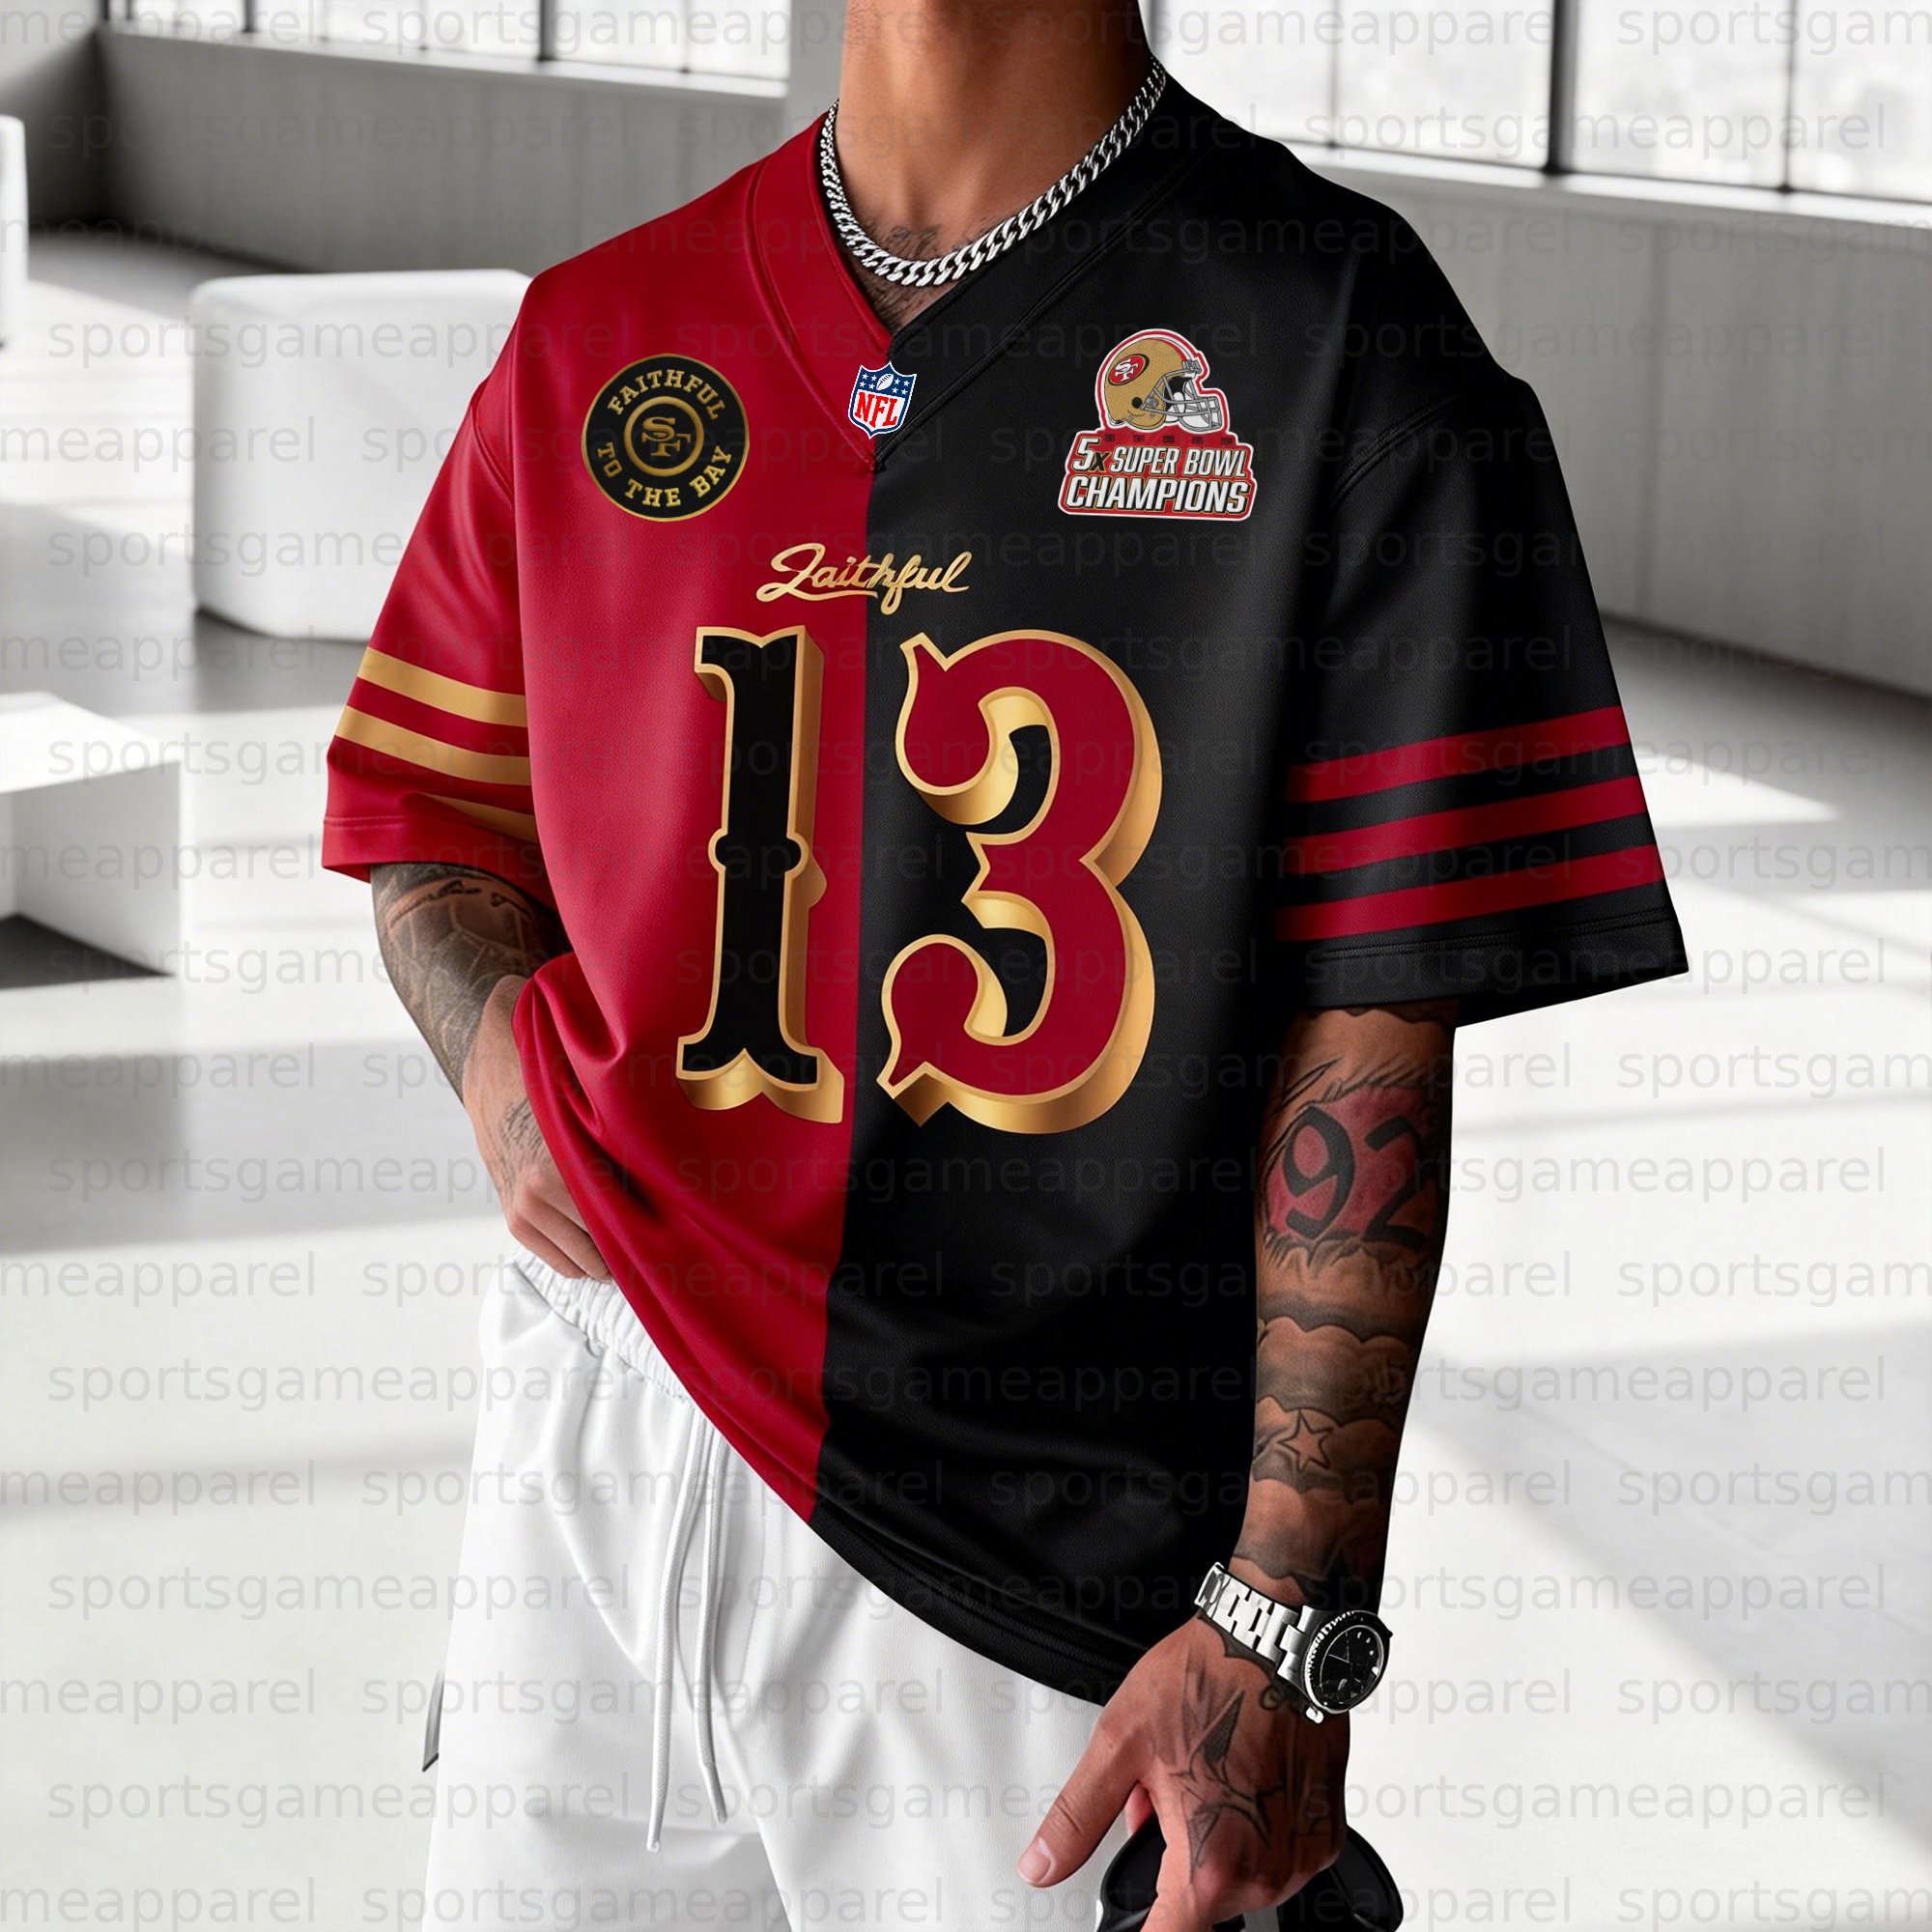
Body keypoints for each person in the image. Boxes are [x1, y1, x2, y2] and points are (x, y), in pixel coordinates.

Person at [323, 4, 1687, 1927]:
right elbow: (432, 807)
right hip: (594, 1429)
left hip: (1034, 1549)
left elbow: (1372, 1028)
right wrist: (495, 1072)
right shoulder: (596, 330)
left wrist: (1289, 1617)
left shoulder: (1344, 341)